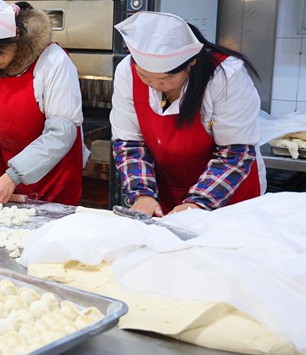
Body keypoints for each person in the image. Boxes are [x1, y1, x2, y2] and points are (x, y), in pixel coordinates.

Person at [111, 11, 266, 216]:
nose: (156, 86)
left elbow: (234, 153)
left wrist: (197, 204)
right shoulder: (126, 72)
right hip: (167, 193)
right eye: (145, 77)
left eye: (166, 79)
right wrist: (142, 193)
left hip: (228, 194)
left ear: (191, 62)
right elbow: (129, 144)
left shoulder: (226, 76)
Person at [0, 0, 84, 205]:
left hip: (54, 176)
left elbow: (60, 134)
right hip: (4, 179)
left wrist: (14, 175)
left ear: (15, 37)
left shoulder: (53, 61)